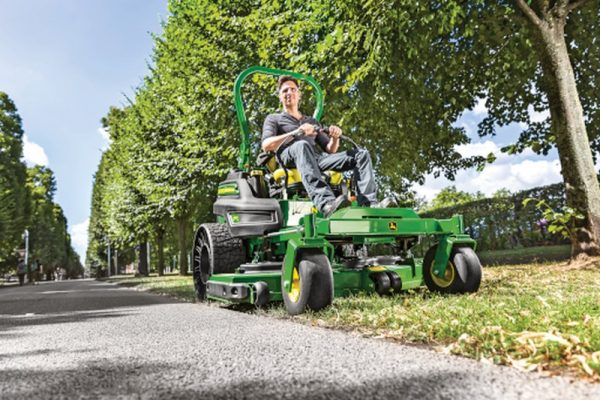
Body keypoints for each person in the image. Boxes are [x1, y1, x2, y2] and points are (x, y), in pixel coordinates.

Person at [262, 75, 389, 217]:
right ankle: (326, 203)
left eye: (293, 89)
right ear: (280, 96)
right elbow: (266, 145)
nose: (289, 93)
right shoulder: (274, 119)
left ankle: (369, 203)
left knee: (361, 154)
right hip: (290, 157)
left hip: (315, 158)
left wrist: (335, 138)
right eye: (285, 91)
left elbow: (330, 149)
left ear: (299, 95)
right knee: (302, 145)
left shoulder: (312, 121)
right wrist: (298, 132)